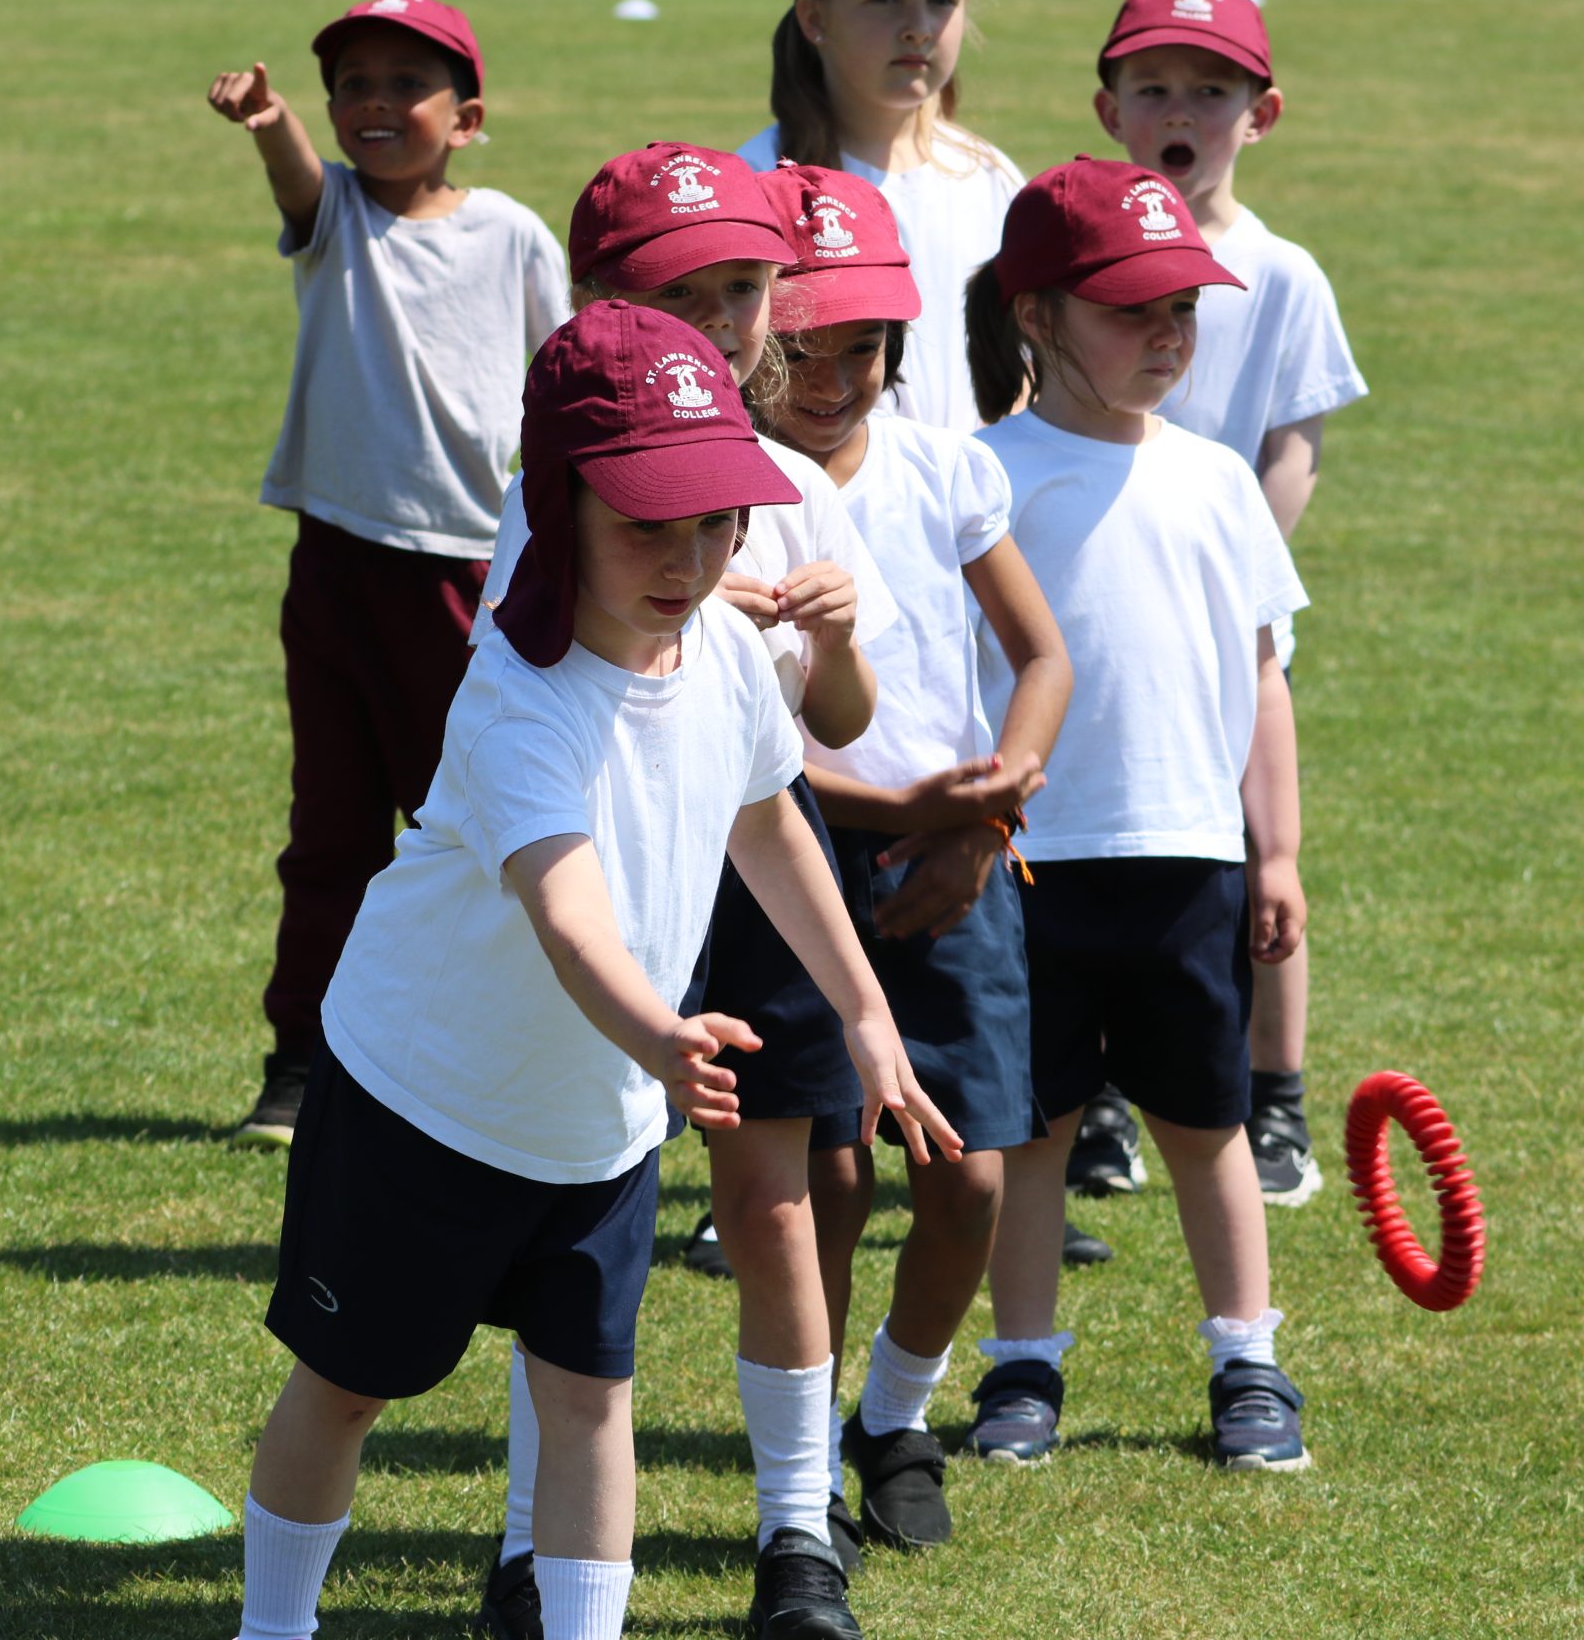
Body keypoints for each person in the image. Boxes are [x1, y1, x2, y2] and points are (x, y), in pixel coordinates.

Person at [235, 300, 955, 1640]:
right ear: (557, 508)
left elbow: (768, 826)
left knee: (587, 1401)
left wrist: (865, 1014)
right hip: (421, 1099)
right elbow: (569, 920)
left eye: (715, 522)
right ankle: (273, 1626)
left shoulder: (728, 651)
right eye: (644, 524)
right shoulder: (518, 696)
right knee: (346, 1387)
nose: (687, 559)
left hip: (594, 1128)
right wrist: (659, 1034)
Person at [471, 143, 921, 1640]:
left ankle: (798, 1531)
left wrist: (832, 633)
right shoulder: (564, 476)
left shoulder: (793, 484)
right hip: (606, 884)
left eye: (746, 288)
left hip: (757, 877)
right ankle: (532, 1548)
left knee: (773, 1206)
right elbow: (524, 652)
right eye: (686, 295)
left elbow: (830, 731)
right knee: (570, 1228)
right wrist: (691, 584)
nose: (726, 323)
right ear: (599, 300)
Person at [965, 159, 1314, 1471]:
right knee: (1033, 1130)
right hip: (1028, 861)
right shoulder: (982, 475)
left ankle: (1247, 1361)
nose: (1168, 334)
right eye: (1130, 310)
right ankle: (1022, 1365)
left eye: (1183, 309)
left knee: (1205, 1123)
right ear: (1037, 314)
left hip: (1188, 858)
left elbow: (1262, 676)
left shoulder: (1219, 480)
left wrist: (1276, 850)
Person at [748, 162, 1071, 1557]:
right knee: (826, 1183)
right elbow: (751, 748)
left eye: (862, 346)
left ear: (903, 336)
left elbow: (1042, 659)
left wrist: (987, 819)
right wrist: (901, 814)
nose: (831, 379)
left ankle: (893, 1416)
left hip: (960, 868)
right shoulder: (727, 496)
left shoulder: (948, 467)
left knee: (970, 1177)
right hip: (794, 863)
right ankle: (805, 1458)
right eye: (799, 347)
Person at [206, 0, 570, 1148]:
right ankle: (302, 1061)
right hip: (333, 566)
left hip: (461, 573)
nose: (375, 103)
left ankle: (508, 1045)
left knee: (468, 824)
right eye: (352, 85)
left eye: (406, 84)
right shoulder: (338, 220)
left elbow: (560, 382)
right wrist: (271, 124)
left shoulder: (509, 234)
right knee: (331, 828)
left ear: (467, 118)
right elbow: (296, 183)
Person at [1081, 0, 1370, 1206]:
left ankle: (1274, 1099)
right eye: (1152, 88)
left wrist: (1231, 572)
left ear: (1263, 114)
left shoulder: (1281, 274)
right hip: (1093, 612)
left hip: (1230, 621)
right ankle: (1095, 1097)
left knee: (1257, 856)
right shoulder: (1074, 256)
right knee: (1099, 850)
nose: (1179, 111)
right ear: (1109, 110)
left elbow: (1292, 447)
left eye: (1210, 90)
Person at [734, 0, 1022, 436]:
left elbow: (1027, 359)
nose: (918, 28)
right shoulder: (755, 184)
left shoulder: (990, 176)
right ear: (814, 17)